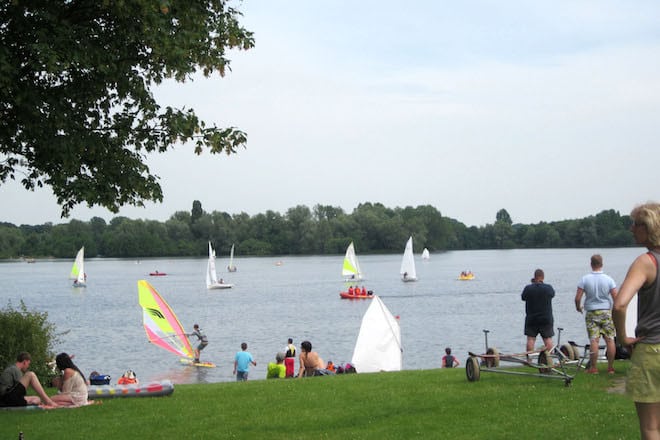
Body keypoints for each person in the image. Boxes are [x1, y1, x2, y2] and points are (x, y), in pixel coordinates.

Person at [613, 202, 660, 439]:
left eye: (635, 224)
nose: (631, 229)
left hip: (651, 350)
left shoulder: (647, 262)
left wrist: (622, 338)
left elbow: (620, 304)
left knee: (652, 427)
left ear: (649, 226)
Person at [575, 254, 618, 374]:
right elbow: (616, 298)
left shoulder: (585, 279)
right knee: (610, 339)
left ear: (591, 264)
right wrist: (615, 312)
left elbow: (578, 298)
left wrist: (578, 307)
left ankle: (593, 368)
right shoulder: (609, 279)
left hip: (591, 312)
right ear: (602, 264)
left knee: (594, 340)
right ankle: (610, 368)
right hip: (606, 311)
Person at [521, 269, 555, 353]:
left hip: (532, 318)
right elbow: (552, 295)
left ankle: (529, 359)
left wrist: (533, 284)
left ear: (534, 277)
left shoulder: (528, 288)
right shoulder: (548, 288)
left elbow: (523, 297)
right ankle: (549, 358)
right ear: (543, 277)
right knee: (547, 338)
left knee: (531, 339)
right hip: (546, 318)